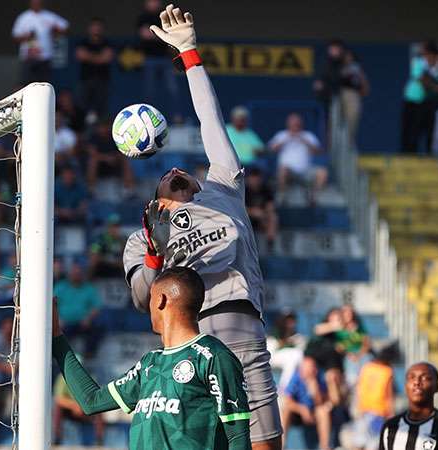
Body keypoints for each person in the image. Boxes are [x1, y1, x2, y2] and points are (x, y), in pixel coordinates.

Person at [122, 6, 281, 449]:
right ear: (155, 196)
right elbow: (142, 299)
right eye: (167, 175)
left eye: (185, 171)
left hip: (239, 332)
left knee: (265, 445)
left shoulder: (223, 188)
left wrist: (189, 54)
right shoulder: (142, 235)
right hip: (182, 347)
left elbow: (211, 120)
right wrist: (156, 245)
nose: (177, 170)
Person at [53, 266, 252, 449]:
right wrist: (56, 338)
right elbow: (92, 401)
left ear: (160, 300)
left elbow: (238, 438)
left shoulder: (213, 357)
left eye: (150, 297)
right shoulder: (149, 363)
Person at [379, 362, 438, 450]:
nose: (417, 382)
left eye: (425, 378)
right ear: (405, 386)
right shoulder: (391, 427)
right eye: (411, 378)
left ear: (437, 387)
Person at [269, 113, 327, 205]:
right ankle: (282, 196)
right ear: (288, 124)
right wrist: (286, 139)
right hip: (289, 172)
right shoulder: (281, 135)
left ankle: (314, 197)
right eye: (293, 124)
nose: (295, 126)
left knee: (322, 173)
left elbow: (318, 151)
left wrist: (304, 141)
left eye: (297, 124)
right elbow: (271, 149)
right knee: (283, 170)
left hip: (306, 171)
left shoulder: (308, 135)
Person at [349, 343, 398, 450]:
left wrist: (357, 406)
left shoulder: (367, 367)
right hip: (378, 412)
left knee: (358, 442)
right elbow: (389, 395)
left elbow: (359, 388)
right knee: (374, 443)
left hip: (363, 409)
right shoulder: (387, 372)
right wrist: (391, 414)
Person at [280, 356, 332, 450]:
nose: (311, 371)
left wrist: (314, 388)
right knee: (286, 409)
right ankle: (282, 445)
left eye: (313, 368)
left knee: (323, 411)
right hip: (299, 413)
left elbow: (321, 402)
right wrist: (302, 409)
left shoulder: (319, 378)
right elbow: (288, 400)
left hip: (314, 411)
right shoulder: (296, 378)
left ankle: (325, 446)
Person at [11, 0, 69, 84]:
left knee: (44, 85)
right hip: (28, 58)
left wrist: (55, 31)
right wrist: (26, 36)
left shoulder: (49, 16)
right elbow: (15, 36)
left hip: (44, 58)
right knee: (26, 85)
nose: (36, 3)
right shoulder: (24, 17)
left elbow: (65, 27)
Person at [136, 0, 177, 114]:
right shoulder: (143, 17)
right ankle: (148, 115)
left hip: (166, 58)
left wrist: (155, 35)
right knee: (149, 91)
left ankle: (175, 116)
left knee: (172, 90)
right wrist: (162, 36)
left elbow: (171, 35)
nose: (154, 3)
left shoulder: (165, 16)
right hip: (150, 58)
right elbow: (145, 34)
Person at [400, 41, 438, 153]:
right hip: (411, 99)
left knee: (422, 129)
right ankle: (407, 153)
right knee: (409, 128)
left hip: (425, 102)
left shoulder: (436, 66)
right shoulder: (418, 62)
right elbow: (421, 79)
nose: (426, 55)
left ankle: (424, 153)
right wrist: (435, 87)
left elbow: (437, 80)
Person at [52, 263, 102, 354]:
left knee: (98, 328)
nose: (76, 276)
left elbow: (97, 306)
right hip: (64, 323)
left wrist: (88, 318)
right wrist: (58, 320)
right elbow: (52, 304)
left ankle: (89, 355)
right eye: (74, 274)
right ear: (69, 274)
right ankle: (61, 356)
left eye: (78, 274)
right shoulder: (61, 287)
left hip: (83, 323)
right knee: (56, 333)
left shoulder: (89, 288)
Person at [75, 17, 114, 119]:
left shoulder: (107, 43)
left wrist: (89, 56)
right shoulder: (83, 42)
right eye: (94, 27)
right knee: (82, 108)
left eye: (98, 27)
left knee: (102, 111)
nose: (96, 29)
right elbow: (80, 55)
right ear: (89, 28)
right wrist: (99, 57)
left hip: (102, 81)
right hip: (85, 80)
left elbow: (107, 58)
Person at [53, 372, 105, 445]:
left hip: (86, 409)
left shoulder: (90, 376)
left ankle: (99, 439)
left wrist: (82, 406)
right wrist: (74, 405)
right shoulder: (63, 378)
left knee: (99, 409)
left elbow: (96, 397)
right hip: (70, 410)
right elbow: (58, 399)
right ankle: (57, 437)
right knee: (58, 408)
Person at [339, 49, 369, 145]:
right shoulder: (338, 68)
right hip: (340, 94)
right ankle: (336, 146)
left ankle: (349, 143)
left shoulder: (357, 68)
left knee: (352, 120)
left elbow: (364, 85)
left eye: (350, 57)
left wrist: (364, 88)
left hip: (353, 95)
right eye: (346, 57)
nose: (348, 59)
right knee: (337, 123)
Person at [244, 167, 278, 250]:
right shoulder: (244, 190)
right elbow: (240, 208)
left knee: (273, 217)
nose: (255, 180)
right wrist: (253, 212)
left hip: (262, 217)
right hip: (247, 217)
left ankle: (270, 243)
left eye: (257, 178)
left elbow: (270, 206)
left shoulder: (266, 189)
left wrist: (264, 214)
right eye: (253, 178)